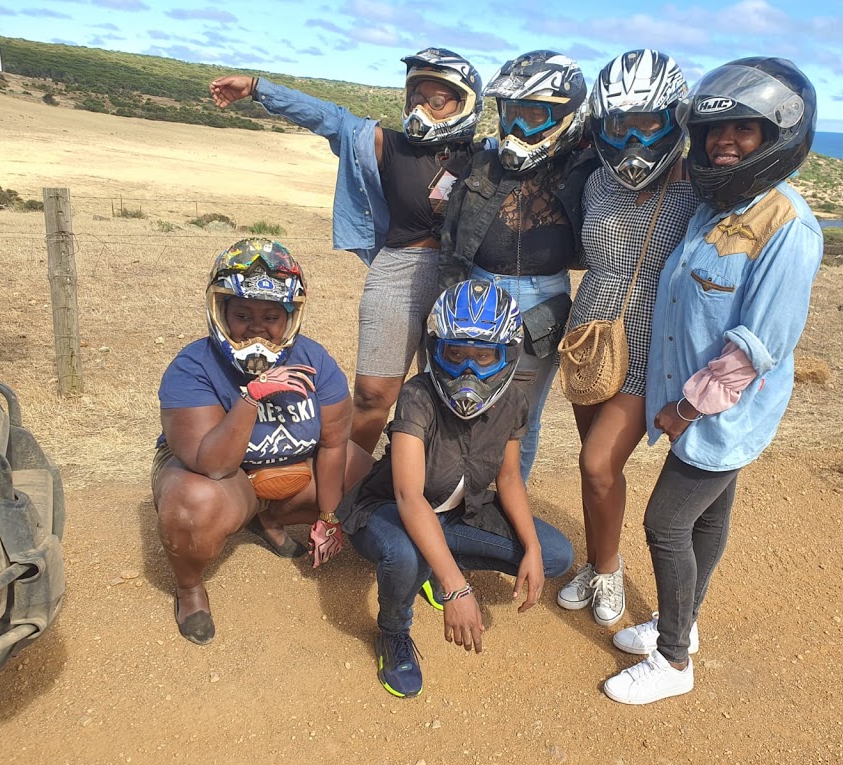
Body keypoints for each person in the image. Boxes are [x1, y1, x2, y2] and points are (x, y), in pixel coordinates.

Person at [602, 57, 822, 704]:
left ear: (777, 135)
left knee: (666, 523)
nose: (724, 144)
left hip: (719, 411)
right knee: (707, 519)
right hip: (701, 405)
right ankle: (683, 625)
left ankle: (673, 661)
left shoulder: (787, 229)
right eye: (713, 133)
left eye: (744, 131)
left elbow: (756, 351)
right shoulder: (714, 204)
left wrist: (683, 409)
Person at [210, 49, 487, 454]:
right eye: (415, 97)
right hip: (398, 271)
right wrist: (257, 88)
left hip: (461, 280)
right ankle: (348, 490)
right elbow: (330, 117)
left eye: (436, 100)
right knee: (374, 396)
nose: (420, 108)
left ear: (464, 104)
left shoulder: (487, 157)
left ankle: (433, 484)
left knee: (453, 393)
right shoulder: (386, 146)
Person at [337, 280, 574, 698]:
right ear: (435, 350)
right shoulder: (418, 396)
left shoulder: (515, 401)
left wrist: (532, 548)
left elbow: (508, 478)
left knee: (555, 554)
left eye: (484, 355)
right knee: (405, 551)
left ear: (507, 354)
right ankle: (393, 631)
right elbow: (409, 497)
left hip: (455, 515)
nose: (469, 370)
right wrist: (457, 586)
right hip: (387, 511)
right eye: (456, 353)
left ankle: (430, 563)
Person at [153, 238, 371, 645]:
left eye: (272, 315)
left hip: (285, 467)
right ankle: (189, 587)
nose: (257, 326)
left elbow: (334, 444)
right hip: (220, 476)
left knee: (361, 471)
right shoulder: (193, 365)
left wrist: (328, 516)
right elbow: (214, 464)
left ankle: (267, 518)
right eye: (243, 314)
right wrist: (252, 396)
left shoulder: (316, 361)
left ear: (290, 317)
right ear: (221, 312)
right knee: (194, 500)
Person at [556, 51, 700, 627]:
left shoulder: (696, 189)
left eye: (649, 123)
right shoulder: (595, 183)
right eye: (622, 125)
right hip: (591, 332)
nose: (635, 139)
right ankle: (596, 562)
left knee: (596, 465)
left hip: (650, 343)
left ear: (675, 118)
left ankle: (610, 568)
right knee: (598, 472)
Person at [438, 50, 598, 482]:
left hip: (542, 304)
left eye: (535, 114)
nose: (520, 128)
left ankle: (508, 507)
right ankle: (456, 496)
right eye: (513, 113)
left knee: (521, 418)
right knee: (460, 398)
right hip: (475, 292)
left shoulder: (585, 168)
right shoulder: (481, 162)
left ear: (566, 117)